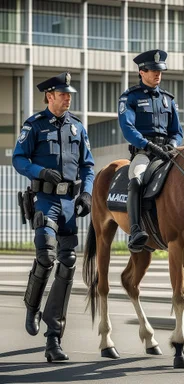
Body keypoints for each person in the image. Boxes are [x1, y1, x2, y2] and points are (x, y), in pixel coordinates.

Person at [12, 72, 94, 362]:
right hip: (44, 201)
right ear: (49, 96)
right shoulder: (34, 125)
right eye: (62, 93)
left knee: (68, 263)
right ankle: (32, 306)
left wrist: (86, 194)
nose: (68, 97)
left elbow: (88, 165)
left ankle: (53, 338)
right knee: (46, 256)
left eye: (69, 93)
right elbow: (18, 158)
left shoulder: (77, 127)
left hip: (69, 203)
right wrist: (39, 172)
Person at [118, 49, 183, 253]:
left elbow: (177, 130)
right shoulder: (130, 97)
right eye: (153, 70)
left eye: (160, 70)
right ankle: (136, 230)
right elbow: (128, 128)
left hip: (167, 151)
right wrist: (147, 145)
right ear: (142, 71)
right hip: (144, 153)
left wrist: (172, 144)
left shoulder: (168, 99)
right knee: (136, 179)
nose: (158, 74)